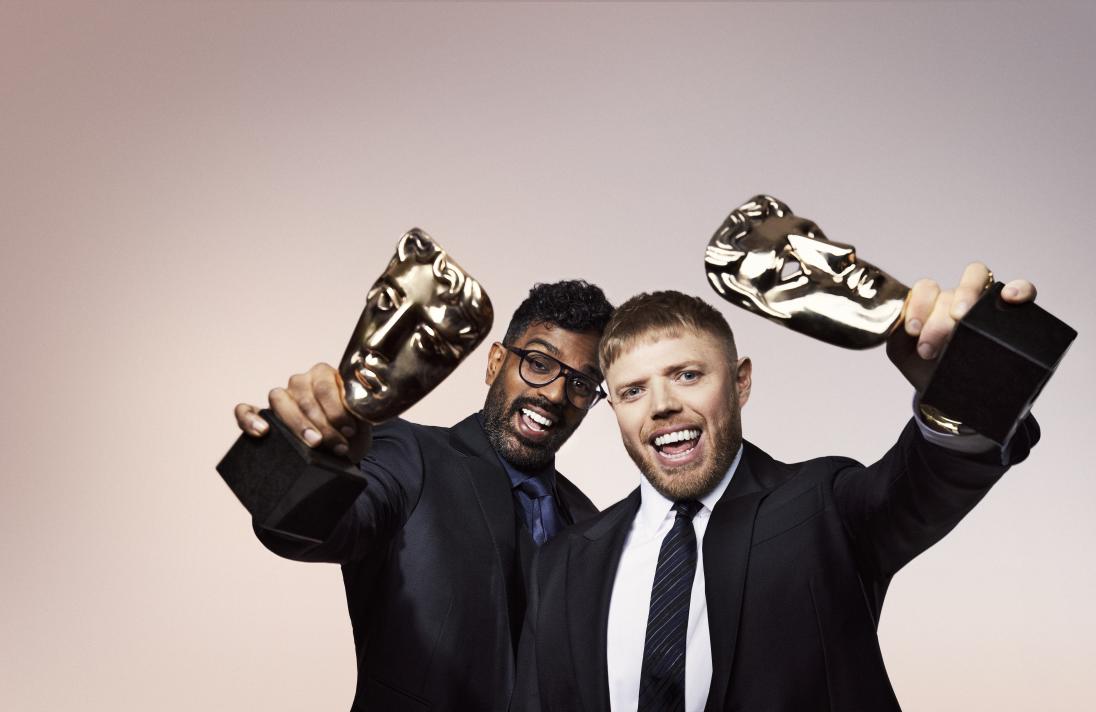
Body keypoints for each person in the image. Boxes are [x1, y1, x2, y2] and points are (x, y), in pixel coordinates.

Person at [513, 265, 1042, 711]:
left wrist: (974, 375)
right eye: (632, 391)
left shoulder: (824, 505)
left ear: (740, 382)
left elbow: (928, 478)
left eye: (688, 375)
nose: (661, 406)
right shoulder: (562, 565)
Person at [233, 279, 614, 711]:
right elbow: (302, 526)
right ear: (495, 363)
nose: (555, 394)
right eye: (539, 363)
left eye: (582, 384)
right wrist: (293, 450)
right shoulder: (409, 455)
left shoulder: (593, 524)